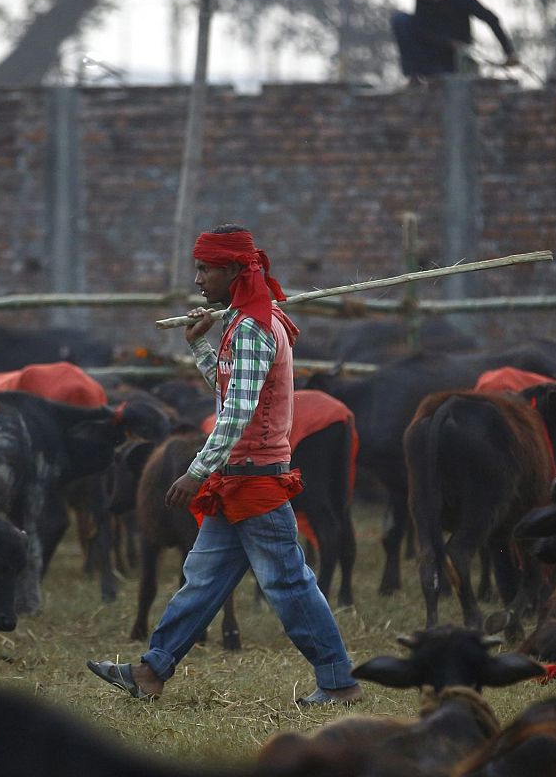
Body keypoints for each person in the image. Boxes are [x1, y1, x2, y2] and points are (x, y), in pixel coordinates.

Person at [87, 225, 361, 707]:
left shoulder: (255, 326)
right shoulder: (248, 321)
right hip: (236, 475)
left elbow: (237, 411)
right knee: (204, 578)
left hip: (254, 478)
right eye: (198, 267)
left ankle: (339, 680)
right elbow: (233, 388)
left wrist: (195, 471)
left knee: (286, 583)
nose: (197, 279)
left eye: (206, 268)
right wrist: (199, 346)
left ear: (234, 270)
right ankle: (152, 671)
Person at [390, 0, 518, 80]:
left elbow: (491, 19)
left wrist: (509, 52)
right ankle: (414, 77)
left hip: (455, 59)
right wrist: (445, 41)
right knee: (400, 20)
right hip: (431, 53)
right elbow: (420, 28)